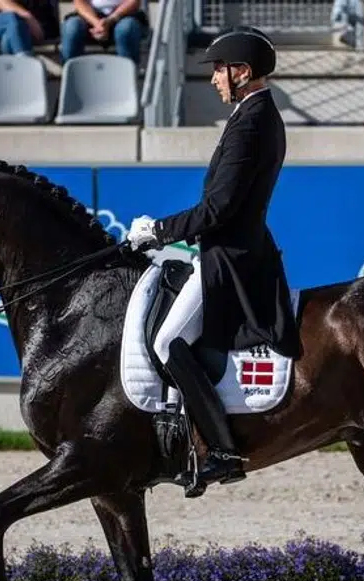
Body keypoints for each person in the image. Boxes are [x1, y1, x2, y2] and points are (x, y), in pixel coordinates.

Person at [125, 25, 299, 499]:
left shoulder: (251, 121)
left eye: (220, 70)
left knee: (166, 341)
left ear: (242, 72)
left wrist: (157, 231)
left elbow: (218, 209)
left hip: (232, 258)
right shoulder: (254, 114)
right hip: (230, 248)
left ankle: (221, 450)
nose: (215, 79)